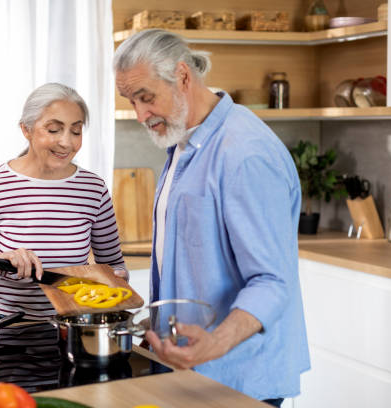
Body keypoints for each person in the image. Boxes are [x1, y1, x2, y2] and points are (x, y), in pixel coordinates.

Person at [113, 29, 310, 406]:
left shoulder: (244, 154)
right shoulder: (185, 140)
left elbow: (272, 281)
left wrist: (214, 343)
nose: (139, 114)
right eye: (131, 100)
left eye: (146, 97)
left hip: (236, 378)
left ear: (183, 77)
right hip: (188, 371)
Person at [0, 83, 127, 324]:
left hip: (72, 323)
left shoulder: (93, 189)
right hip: (6, 324)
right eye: (53, 130)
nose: (66, 142)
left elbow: (114, 266)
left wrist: (117, 278)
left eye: (76, 131)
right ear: (26, 130)